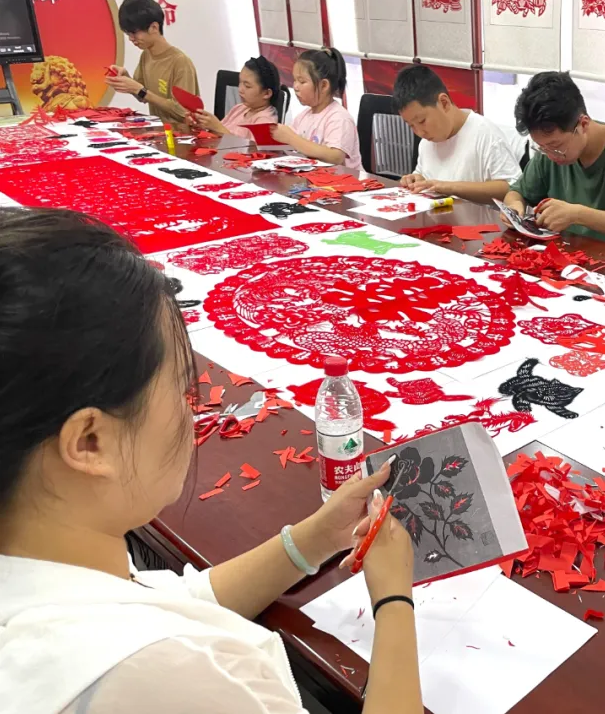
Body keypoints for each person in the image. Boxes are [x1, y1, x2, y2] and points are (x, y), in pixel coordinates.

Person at [0, 208, 421, 714]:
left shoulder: (44, 560)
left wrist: (318, 536)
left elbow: (176, 601)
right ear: (90, 442)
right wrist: (394, 600)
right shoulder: (166, 675)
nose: (194, 410)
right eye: (182, 387)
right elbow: (167, 643)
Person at [503, 71, 605, 245]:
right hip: (563, 252)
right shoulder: (549, 149)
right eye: (541, 147)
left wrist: (578, 215)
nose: (550, 155)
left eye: (556, 146)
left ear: (583, 124)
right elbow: (516, 193)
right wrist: (514, 208)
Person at [393, 65, 522, 204]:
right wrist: (417, 179)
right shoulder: (427, 142)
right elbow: (424, 175)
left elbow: (511, 188)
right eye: (411, 125)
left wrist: (450, 187)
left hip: (477, 217)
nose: (419, 133)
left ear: (444, 103)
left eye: (422, 121)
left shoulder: (485, 134)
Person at [105, 0, 199, 130]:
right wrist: (126, 79)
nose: (131, 38)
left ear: (154, 27)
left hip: (182, 135)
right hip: (159, 132)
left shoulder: (180, 62)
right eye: (128, 34)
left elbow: (182, 112)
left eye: (134, 32)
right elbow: (142, 96)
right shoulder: (146, 55)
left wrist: (140, 90)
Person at [269, 48, 361, 169]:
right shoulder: (303, 116)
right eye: (295, 80)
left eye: (302, 82)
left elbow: (336, 157)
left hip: (342, 178)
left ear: (324, 85)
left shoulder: (339, 118)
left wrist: (291, 138)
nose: (295, 86)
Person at [191, 56, 281, 141]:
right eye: (240, 82)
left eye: (247, 86)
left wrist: (217, 127)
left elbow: (251, 149)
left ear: (266, 93)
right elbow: (216, 135)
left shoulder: (266, 122)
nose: (240, 89)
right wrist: (201, 125)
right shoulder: (239, 108)